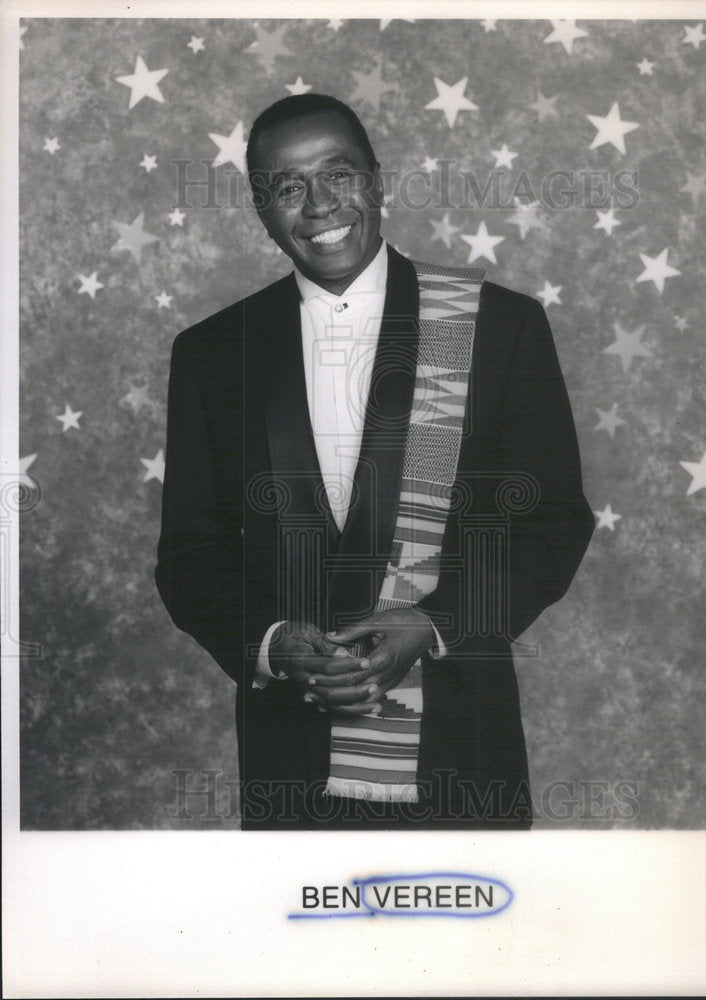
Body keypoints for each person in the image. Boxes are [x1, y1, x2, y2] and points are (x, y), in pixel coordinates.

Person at [155, 94, 594, 830]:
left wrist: (434, 623)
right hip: (290, 756)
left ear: (378, 180)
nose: (320, 204)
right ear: (261, 208)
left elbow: (553, 526)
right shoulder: (211, 353)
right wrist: (274, 644)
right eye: (288, 187)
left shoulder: (496, 327)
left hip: (460, 743)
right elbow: (190, 557)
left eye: (340, 174)